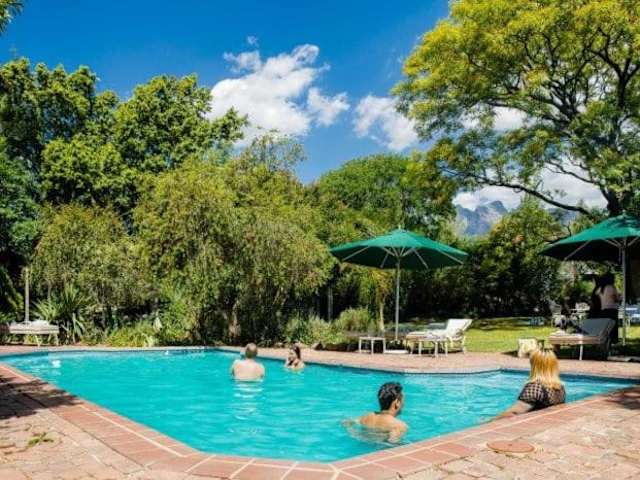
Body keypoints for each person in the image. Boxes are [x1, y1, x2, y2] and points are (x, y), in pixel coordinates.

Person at [495, 349, 565, 419]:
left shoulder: (535, 387)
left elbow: (514, 412)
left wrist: (492, 421)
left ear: (535, 365)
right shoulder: (560, 387)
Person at [595, 272, 620, 344]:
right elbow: (615, 299)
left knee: (606, 328)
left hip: (604, 310)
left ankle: (605, 342)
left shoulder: (601, 288)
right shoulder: (611, 287)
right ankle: (612, 342)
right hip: (612, 310)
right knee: (612, 328)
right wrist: (619, 298)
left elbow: (597, 295)